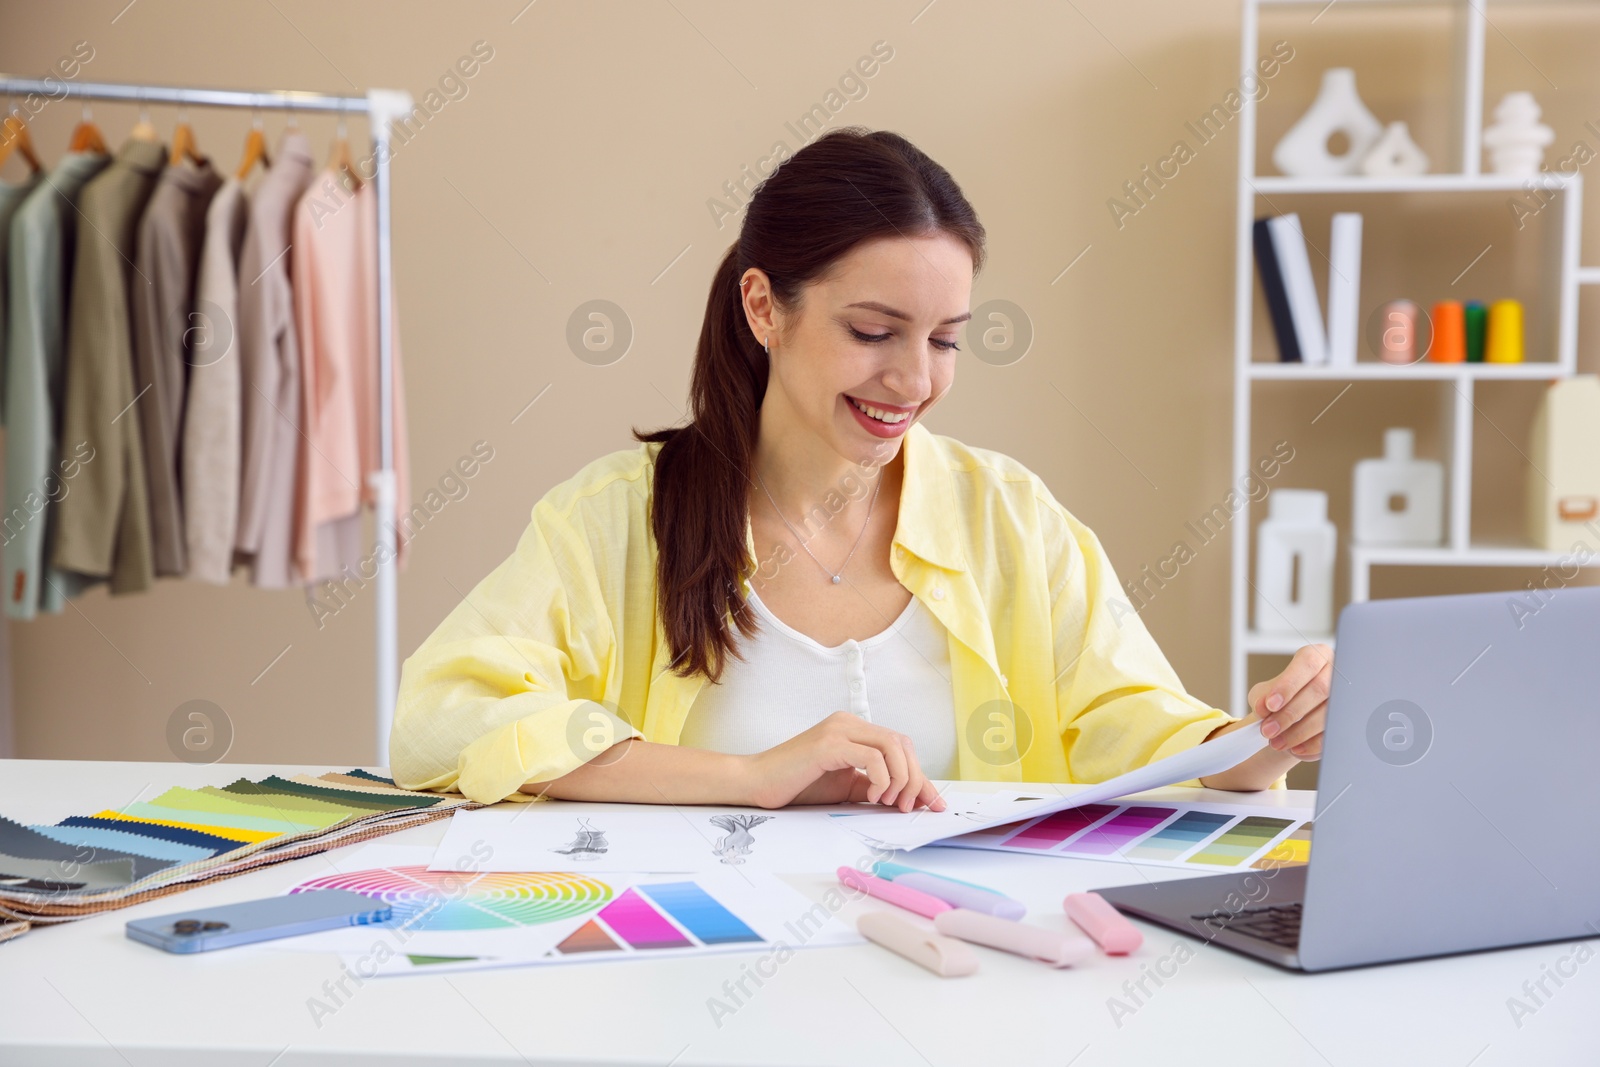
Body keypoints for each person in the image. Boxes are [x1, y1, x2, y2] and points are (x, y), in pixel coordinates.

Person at [389, 127, 1332, 811]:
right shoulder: (616, 519)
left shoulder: (1008, 518)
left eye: (946, 340)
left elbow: (1138, 723)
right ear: (764, 307)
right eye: (873, 331)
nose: (913, 379)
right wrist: (751, 778)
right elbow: (445, 716)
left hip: (948, 974)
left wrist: (1263, 738)